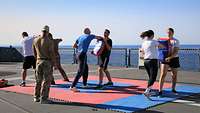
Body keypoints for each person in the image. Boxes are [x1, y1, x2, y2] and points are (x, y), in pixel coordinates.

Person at [70, 28, 103, 92]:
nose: (91, 31)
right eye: (90, 30)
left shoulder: (80, 37)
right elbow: (99, 37)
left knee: (86, 68)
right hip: (82, 54)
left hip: (78, 54)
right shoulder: (90, 36)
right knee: (80, 71)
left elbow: (74, 46)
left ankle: (84, 84)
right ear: (87, 31)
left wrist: (80, 48)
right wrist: (103, 40)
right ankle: (72, 86)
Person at [33, 26, 57, 104]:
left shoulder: (35, 40)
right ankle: (44, 98)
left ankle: (36, 97)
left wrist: (37, 59)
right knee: (47, 81)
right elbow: (52, 53)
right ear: (48, 32)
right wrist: (54, 63)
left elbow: (34, 52)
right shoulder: (49, 41)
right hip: (47, 62)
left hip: (38, 61)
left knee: (38, 80)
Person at [140, 30, 163, 99]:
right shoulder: (154, 41)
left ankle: (149, 90)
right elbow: (162, 47)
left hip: (146, 61)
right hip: (152, 61)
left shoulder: (144, 43)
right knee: (153, 77)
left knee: (151, 77)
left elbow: (142, 51)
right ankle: (147, 91)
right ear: (152, 35)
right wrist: (158, 41)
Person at [158, 28, 180, 97]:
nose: (168, 33)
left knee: (174, 75)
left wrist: (170, 57)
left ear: (173, 33)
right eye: (167, 32)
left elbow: (176, 51)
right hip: (165, 59)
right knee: (163, 75)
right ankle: (160, 91)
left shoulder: (176, 41)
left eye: (170, 32)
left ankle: (173, 89)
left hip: (174, 58)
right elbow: (159, 49)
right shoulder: (162, 40)